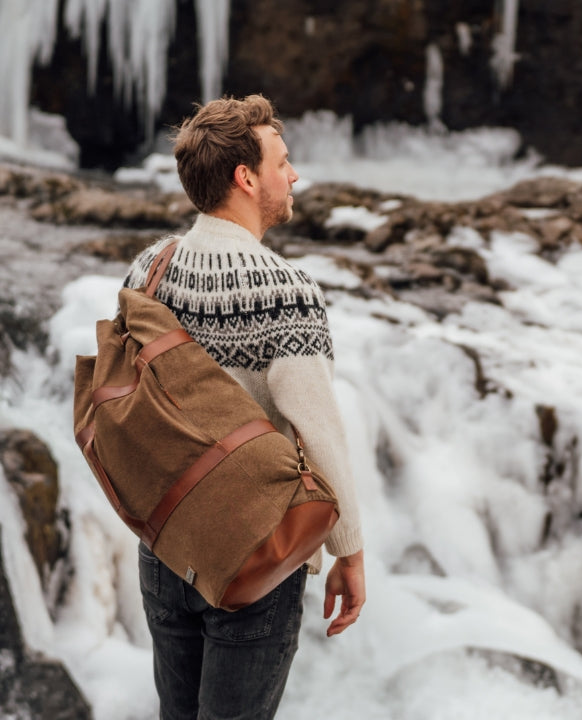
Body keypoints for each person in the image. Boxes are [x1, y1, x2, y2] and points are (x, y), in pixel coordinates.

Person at [122, 94, 366, 720]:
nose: (294, 175)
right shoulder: (286, 291)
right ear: (246, 178)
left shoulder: (150, 269)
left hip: (164, 541)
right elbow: (319, 432)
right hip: (254, 558)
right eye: (282, 162)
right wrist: (349, 550)